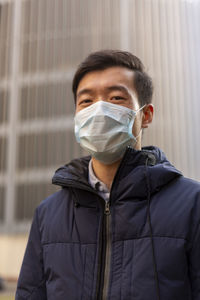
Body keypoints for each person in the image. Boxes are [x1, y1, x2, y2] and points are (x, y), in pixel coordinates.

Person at [16, 50, 200, 300]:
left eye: (115, 98)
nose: (99, 109)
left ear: (145, 115)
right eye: (86, 101)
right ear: (77, 117)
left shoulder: (191, 204)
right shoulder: (48, 214)